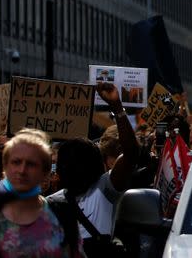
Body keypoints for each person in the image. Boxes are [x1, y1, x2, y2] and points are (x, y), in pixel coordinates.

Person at [48, 82, 138, 255]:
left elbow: (131, 154)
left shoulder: (105, 189)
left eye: (79, 163)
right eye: (69, 164)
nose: (75, 169)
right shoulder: (51, 203)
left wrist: (117, 107)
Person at [0, 130, 82, 257]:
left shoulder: (62, 215)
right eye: (16, 162)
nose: (22, 170)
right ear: (5, 167)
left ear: (45, 171)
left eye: (31, 164)